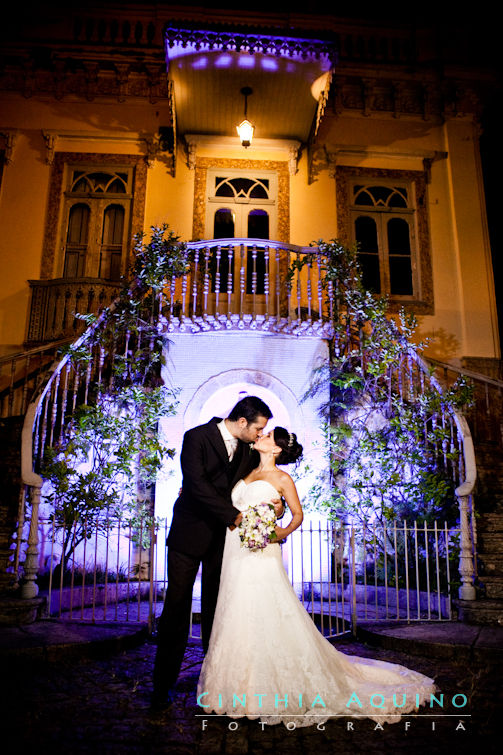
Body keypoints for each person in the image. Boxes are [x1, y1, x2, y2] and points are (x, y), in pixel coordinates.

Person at [197, 427, 436, 727]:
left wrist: (279, 532)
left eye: (267, 435)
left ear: (276, 450)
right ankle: (234, 688)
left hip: (262, 555)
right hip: (235, 551)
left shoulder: (283, 479)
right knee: (235, 610)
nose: (261, 436)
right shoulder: (246, 470)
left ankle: (267, 689)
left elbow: (297, 515)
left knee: (263, 608)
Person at [152, 395, 274, 709]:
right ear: (243, 421)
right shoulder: (196, 437)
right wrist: (235, 517)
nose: (261, 434)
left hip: (224, 542)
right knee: (176, 608)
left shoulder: (249, 450)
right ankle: (162, 686)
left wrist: (277, 503)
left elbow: (265, 477)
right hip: (188, 535)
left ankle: (215, 683)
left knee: (217, 610)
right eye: (259, 428)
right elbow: (196, 485)